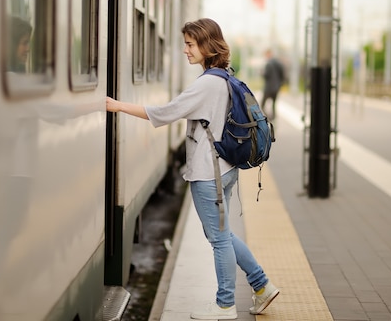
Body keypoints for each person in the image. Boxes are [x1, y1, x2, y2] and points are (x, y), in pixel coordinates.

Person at [106, 18, 279, 319]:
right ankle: (262, 286)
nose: (185, 50)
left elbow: (164, 112)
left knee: (219, 239)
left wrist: (117, 106)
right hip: (225, 169)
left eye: (189, 44)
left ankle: (225, 305)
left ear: (206, 45)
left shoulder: (207, 84)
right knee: (223, 234)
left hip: (206, 173)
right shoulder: (224, 77)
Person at [261, 48, 285, 120]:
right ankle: (273, 118)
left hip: (268, 88)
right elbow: (282, 74)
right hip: (276, 87)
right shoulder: (278, 63)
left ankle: (268, 117)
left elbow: (266, 75)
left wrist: (262, 73)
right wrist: (280, 84)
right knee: (274, 104)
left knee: (262, 104)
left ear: (268, 54)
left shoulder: (268, 63)